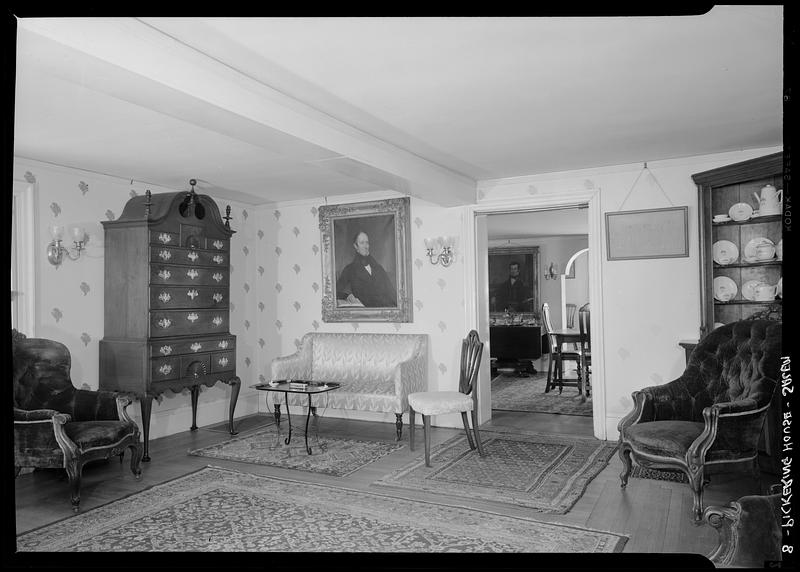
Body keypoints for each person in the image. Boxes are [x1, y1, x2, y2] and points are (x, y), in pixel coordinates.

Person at [336, 231, 397, 307]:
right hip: (367, 310)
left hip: (386, 308)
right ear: (355, 246)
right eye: (362, 243)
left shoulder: (378, 268)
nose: (366, 246)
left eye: (367, 243)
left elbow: (391, 292)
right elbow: (335, 291)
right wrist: (346, 296)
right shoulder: (350, 269)